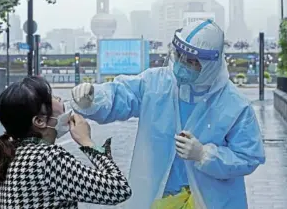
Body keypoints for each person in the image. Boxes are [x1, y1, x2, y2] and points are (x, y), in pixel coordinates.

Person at [71, 19, 265, 209]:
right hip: (156, 197)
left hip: (211, 200)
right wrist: (93, 98)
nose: (181, 64)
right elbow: (121, 94)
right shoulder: (156, 84)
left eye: (191, 61)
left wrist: (205, 155)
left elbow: (248, 156)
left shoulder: (235, 105)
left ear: (210, 64)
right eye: (179, 55)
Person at [0, 76, 132, 209]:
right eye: (52, 98)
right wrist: (87, 142)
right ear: (39, 121)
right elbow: (119, 190)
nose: (60, 99)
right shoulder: (46, 157)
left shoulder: (9, 152)